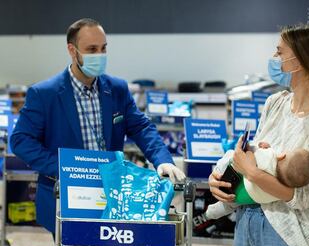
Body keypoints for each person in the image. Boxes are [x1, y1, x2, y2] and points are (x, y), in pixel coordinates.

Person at [10, 18, 185, 234]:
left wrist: (162, 160)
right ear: (72, 51)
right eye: (92, 49)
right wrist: (63, 168)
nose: (100, 55)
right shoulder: (44, 94)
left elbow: (141, 127)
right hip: (67, 197)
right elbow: (20, 140)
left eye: (103, 48)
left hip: (113, 196)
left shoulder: (117, 89)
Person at [208, 24, 309, 246]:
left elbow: (303, 197)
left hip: (290, 236)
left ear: (299, 61)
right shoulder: (275, 103)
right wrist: (223, 181)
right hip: (247, 220)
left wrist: (251, 171)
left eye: (279, 52)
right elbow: (256, 156)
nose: (274, 57)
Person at [205, 142, 309, 220]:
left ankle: (219, 171)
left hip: (241, 184)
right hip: (247, 198)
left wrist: (263, 148)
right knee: (233, 202)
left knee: (230, 153)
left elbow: (251, 156)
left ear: (282, 156)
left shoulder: (270, 158)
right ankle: (218, 210)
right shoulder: (280, 189)